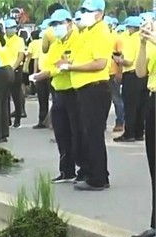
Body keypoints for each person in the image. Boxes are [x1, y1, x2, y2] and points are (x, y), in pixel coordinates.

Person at [62, 0, 112, 191]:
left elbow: (100, 63)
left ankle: (97, 178)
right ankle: (95, 173)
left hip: (95, 89)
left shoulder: (101, 32)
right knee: (89, 134)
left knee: (93, 135)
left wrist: (73, 67)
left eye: (87, 11)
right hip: (86, 89)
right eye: (82, 10)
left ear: (99, 13)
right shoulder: (88, 32)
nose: (83, 14)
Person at [32, 10, 83, 184]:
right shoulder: (56, 44)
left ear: (69, 22)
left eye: (59, 23)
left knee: (77, 132)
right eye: (53, 25)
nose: (56, 28)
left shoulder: (78, 39)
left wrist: (59, 67)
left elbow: (70, 64)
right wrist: (50, 70)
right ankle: (66, 170)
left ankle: (82, 169)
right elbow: (49, 65)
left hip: (74, 90)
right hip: (58, 91)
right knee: (61, 132)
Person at [131, 18, 156, 237]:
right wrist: (142, 43)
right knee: (154, 164)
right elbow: (140, 72)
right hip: (153, 98)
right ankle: (154, 223)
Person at [115, 16, 147, 142]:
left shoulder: (131, 40)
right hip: (144, 75)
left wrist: (118, 60)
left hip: (131, 75)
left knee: (130, 106)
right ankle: (139, 132)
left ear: (131, 28)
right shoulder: (144, 38)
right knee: (140, 105)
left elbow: (128, 61)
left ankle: (129, 133)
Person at [5, 19, 27, 128]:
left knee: (16, 95)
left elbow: (21, 56)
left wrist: (13, 68)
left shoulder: (19, 40)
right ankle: (6, 120)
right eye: (9, 27)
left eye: (13, 27)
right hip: (4, 70)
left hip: (16, 70)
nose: (11, 29)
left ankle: (17, 119)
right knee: (5, 96)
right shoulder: (2, 40)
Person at [29, 23, 51, 129]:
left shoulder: (56, 42)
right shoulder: (39, 43)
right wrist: (35, 73)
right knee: (42, 98)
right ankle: (42, 120)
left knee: (56, 100)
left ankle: (51, 122)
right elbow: (36, 59)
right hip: (41, 71)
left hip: (51, 72)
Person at [108, 19, 126, 133]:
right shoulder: (101, 37)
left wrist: (119, 72)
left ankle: (120, 122)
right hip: (101, 73)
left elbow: (119, 57)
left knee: (117, 99)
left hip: (112, 72)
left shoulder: (116, 38)